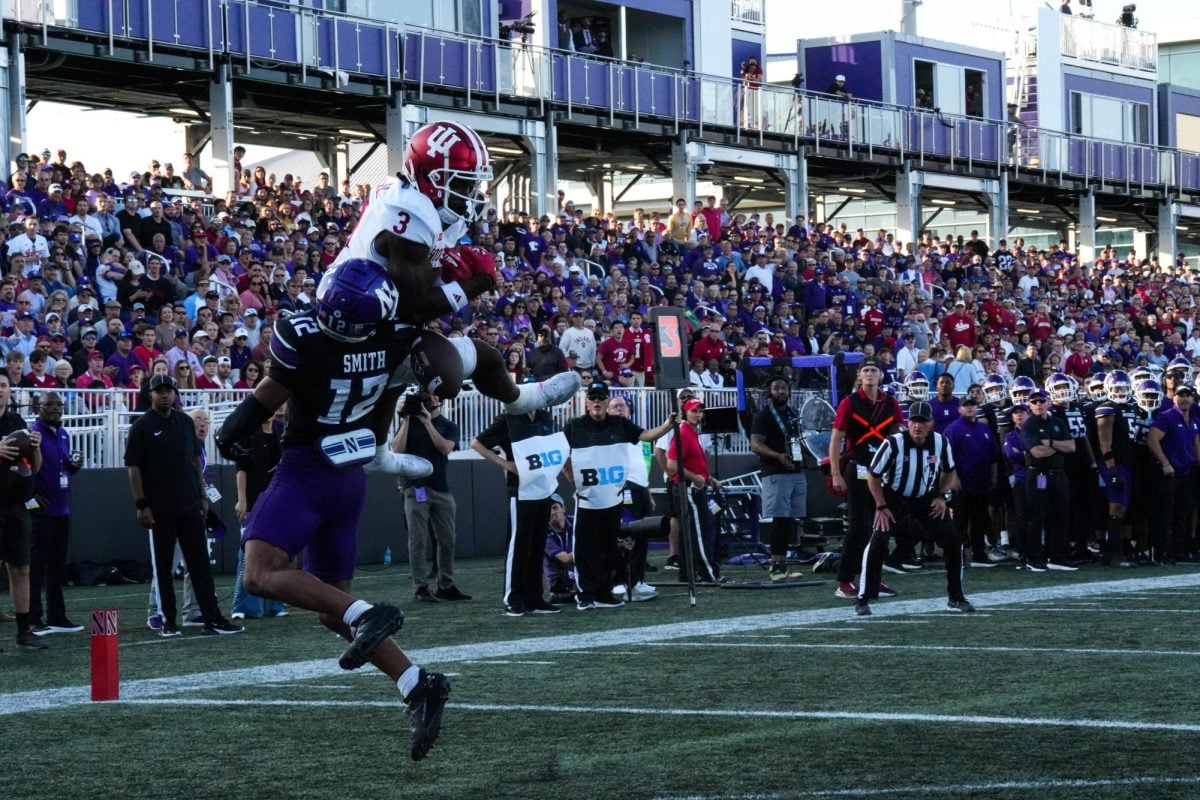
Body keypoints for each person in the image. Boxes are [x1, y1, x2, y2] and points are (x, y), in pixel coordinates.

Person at [215, 261, 451, 762]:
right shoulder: (398, 336)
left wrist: (229, 430)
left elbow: (270, 393)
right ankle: (416, 683)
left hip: (308, 468)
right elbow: (443, 351)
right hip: (352, 475)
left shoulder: (305, 336)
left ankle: (369, 613)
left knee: (258, 575)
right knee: (329, 608)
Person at [125, 374, 243, 637]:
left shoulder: (185, 422)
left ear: (175, 393)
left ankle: (212, 618)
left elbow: (194, 461)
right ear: (151, 394)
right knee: (164, 567)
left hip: (189, 503)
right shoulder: (142, 426)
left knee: (200, 564)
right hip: (159, 508)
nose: (164, 395)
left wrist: (202, 497)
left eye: (169, 390)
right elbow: (133, 467)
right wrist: (141, 503)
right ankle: (168, 620)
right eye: (159, 391)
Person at [564, 382, 674, 609]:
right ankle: (585, 595)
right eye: (592, 397)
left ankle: (603, 594)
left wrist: (668, 425)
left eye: (600, 397)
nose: (596, 401)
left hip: (612, 498)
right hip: (587, 500)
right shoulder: (575, 426)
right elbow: (560, 453)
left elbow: (645, 435)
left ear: (606, 401)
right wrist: (571, 478)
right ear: (586, 402)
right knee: (585, 550)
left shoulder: (619, 424)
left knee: (609, 548)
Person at [860, 401, 973, 616]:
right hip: (893, 497)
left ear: (931, 423)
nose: (917, 426)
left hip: (925, 496)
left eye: (922, 421)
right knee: (878, 540)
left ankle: (956, 597)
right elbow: (873, 475)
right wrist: (881, 506)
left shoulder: (941, 442)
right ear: (907, 422)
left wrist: (941, 496)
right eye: (913, 421)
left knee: (953, 540)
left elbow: (949, 470)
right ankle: (864, 598)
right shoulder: (893, 443)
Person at [472, 405, 568, 615]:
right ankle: (512, 598)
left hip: (544, 487)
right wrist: (505, 465)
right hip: (521, 488)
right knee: (518, 545)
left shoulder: (544, 417)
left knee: (538, 543)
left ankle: (534, 597)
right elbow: (477, 443)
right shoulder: (508, 419)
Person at [829, 358, 903, 599]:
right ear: (859, 376)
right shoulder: (849, 403)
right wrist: (836, 473)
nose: (870, 374)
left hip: (882, 471)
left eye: (874, 370)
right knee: (858, 527)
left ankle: (872, 578)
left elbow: (897, 434)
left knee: (881, 526)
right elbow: (836, 438)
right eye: (866, 370)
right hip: (857, 467)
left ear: (881, 375)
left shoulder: (890, 402)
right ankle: (845, 581)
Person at [393, 390, 469, 603]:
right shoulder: (409, 424)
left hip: (441, 488)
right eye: (429, 396)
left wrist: (428, 423)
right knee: (417, 540)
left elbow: (445, 448)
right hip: (415, 488)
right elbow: (397, 450)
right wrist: (408, 417)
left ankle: (445, 584)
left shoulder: (448, 425)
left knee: (448, 540)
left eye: (436, 396)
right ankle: (420, 587)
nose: (433, 398)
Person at [28, 391, 84, 635]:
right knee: (37, 565)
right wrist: (30, 495)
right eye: (49, 404)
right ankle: (32, 618)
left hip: (61, 507)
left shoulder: (63, 434)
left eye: (59, 404)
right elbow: (21, 468)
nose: (55, 408)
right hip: (39, 509)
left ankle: (56, 616)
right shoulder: (32, 435)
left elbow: (62, 468)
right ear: (38, 407)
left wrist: (72, 468)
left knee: (56, 565)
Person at [0, 373, 46, 649]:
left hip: (15, 503)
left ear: (9, 391)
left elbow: (34, 467)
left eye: (3, 386)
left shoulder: (16, 422)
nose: (0, 390)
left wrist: (36, 449)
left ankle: (23, 630)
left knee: (21, 568)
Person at [230, 407, 287, 619]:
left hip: (278, 503)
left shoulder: (282, 435)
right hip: (254, 502)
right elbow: (241, 470)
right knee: (246, 555)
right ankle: (242, 607)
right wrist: (242, 500)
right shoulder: (248, 436)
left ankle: (275, 605)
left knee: (279, 554)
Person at [749, 376, 807, 580]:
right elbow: (755, 444)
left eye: (784, 388)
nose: (781, 391)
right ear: (769, 392)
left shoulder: (793, 413)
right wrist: (778, 456)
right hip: (775, 471)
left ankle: (784, 563)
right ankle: (776, 566)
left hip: (795, 469)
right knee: (779, 519)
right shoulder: (763, 415)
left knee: (790, 519)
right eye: (776, 388)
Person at [666, 396, 724, 585]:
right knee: (701, 532)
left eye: (700, 411)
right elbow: (672, 464)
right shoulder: (683, 433)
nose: (698, 415)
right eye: (694, 411)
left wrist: (708, 478)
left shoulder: (692, 433)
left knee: (691, 532)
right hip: (688, 488)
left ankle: (688, 573)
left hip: (694, 486)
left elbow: (693, 463)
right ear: (685, 412)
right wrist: (694, 477)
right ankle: (709, 574)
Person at [1019, 389, 1076, 572]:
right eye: (1034, 401)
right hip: (1039, 475)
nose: (1038, 404)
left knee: (1061, 514)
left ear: (1048, 402)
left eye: (1041, 400)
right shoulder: (1029, 425)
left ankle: (1058, 556)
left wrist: (1050, 443)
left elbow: (1071, 447)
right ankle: (1033, 558)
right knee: (1037, 515)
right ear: (1029, 404)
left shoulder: (1058, 422)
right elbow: (1036, 452)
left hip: (1058, 473)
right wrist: (1058, 446)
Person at [943, 396, 1001, 568]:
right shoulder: (953, 429)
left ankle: (979, 554)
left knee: (980, 519)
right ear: (959, 409)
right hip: (962, 483)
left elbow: (993, 455)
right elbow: (947, 457)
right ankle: (957, 557)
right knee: (960, 521)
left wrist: (994, 476)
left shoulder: (984, 428)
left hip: (981, 481)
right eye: (965, 405)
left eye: (972, 405)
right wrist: (953, 478)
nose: (969, 408)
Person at [1147, 384, 1200, 564]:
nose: (1184, 398)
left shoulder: (1193, 419)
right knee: (1166, 513)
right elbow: (1152, 440)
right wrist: (1165, 463)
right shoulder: (1166, 417)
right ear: (1174, 398)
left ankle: (1180, 551)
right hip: (1169, 473)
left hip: (1187, 471)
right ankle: (1163, 552)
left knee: (1183, 512)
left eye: (1188, 395)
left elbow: (1196, 445)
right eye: (1181, 395)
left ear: (1193, 398)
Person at [543, 494, 575, 604]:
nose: (551, 512)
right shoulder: (543, 532)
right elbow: (565, 559)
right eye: (547, 509)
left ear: (563, 509)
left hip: (578, 573)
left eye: (555, 507)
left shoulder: (576, 522)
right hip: (559, 582)